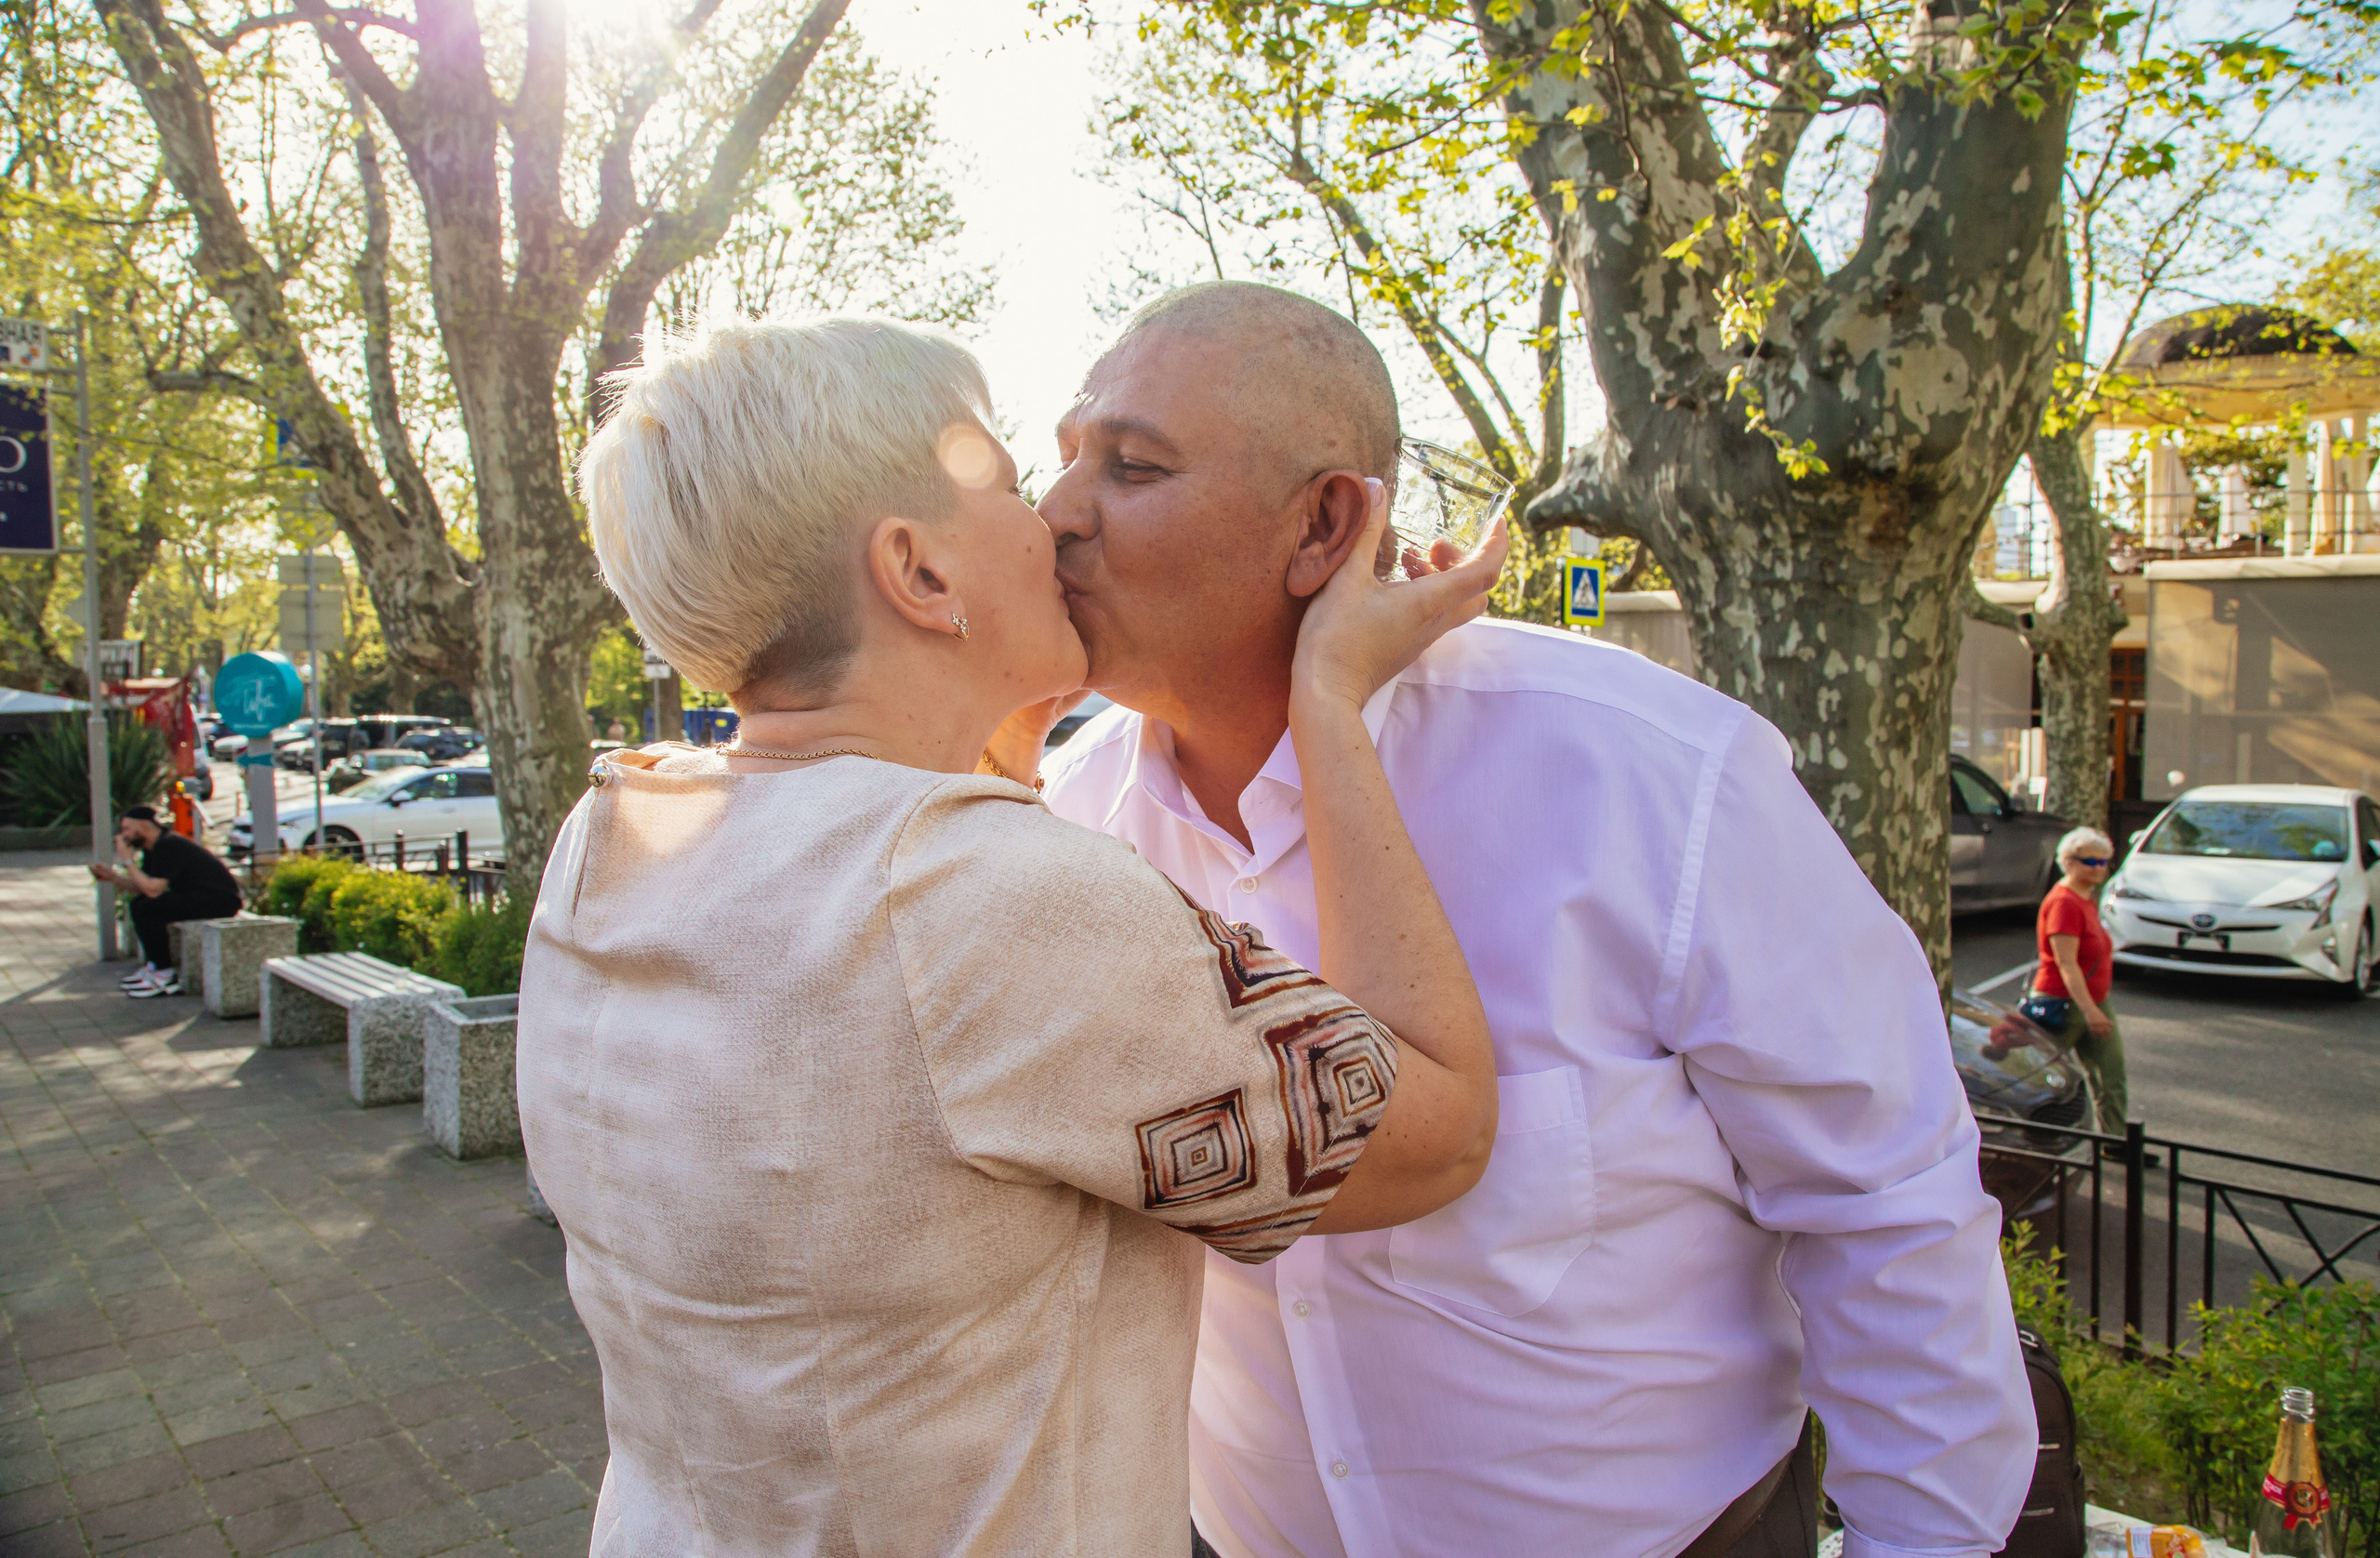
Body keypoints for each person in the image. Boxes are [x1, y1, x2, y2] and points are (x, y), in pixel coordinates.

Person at [1033, 282, 2037, 1558]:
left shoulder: (1641, 773)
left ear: (1323, 524)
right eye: (1065, 457)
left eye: (1131, 467)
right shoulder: (1067, 815)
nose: (1057, 512)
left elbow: (1883, 1200)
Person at [520, 316, 1506, 1556]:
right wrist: (1332, 706)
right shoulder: (999, 902)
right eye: (999, 478)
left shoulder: (613, 839)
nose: (1053, 516)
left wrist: (991, 722)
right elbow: (1436, 1131)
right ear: (920, 573)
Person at [2024, 825, 2129, 1139]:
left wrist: (2096, 1007)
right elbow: (2066, 963)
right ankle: (2029, 1139)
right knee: (2042, 1075)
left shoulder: (2086, 898)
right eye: (2090, 861)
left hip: (2093, 1001)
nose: (2098, 868)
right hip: (2063, 1004)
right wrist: (2090, 1011)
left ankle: (2115, 1141)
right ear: (2068, 862)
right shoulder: (2064, 903)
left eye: (2104, 862)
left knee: (2111, 1075)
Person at [90, 803, 243, 998]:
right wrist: (112, 878)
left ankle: (164, 974)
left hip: (218, 901)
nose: (123, 835)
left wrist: (128, 861)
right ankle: (154, 966)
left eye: (127, 829)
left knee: (149, 909)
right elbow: (145, 886)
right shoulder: (153, 847)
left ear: (144, 826)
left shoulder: (168, 845)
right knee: (138, 904)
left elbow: (153, 890)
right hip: (196, 896)